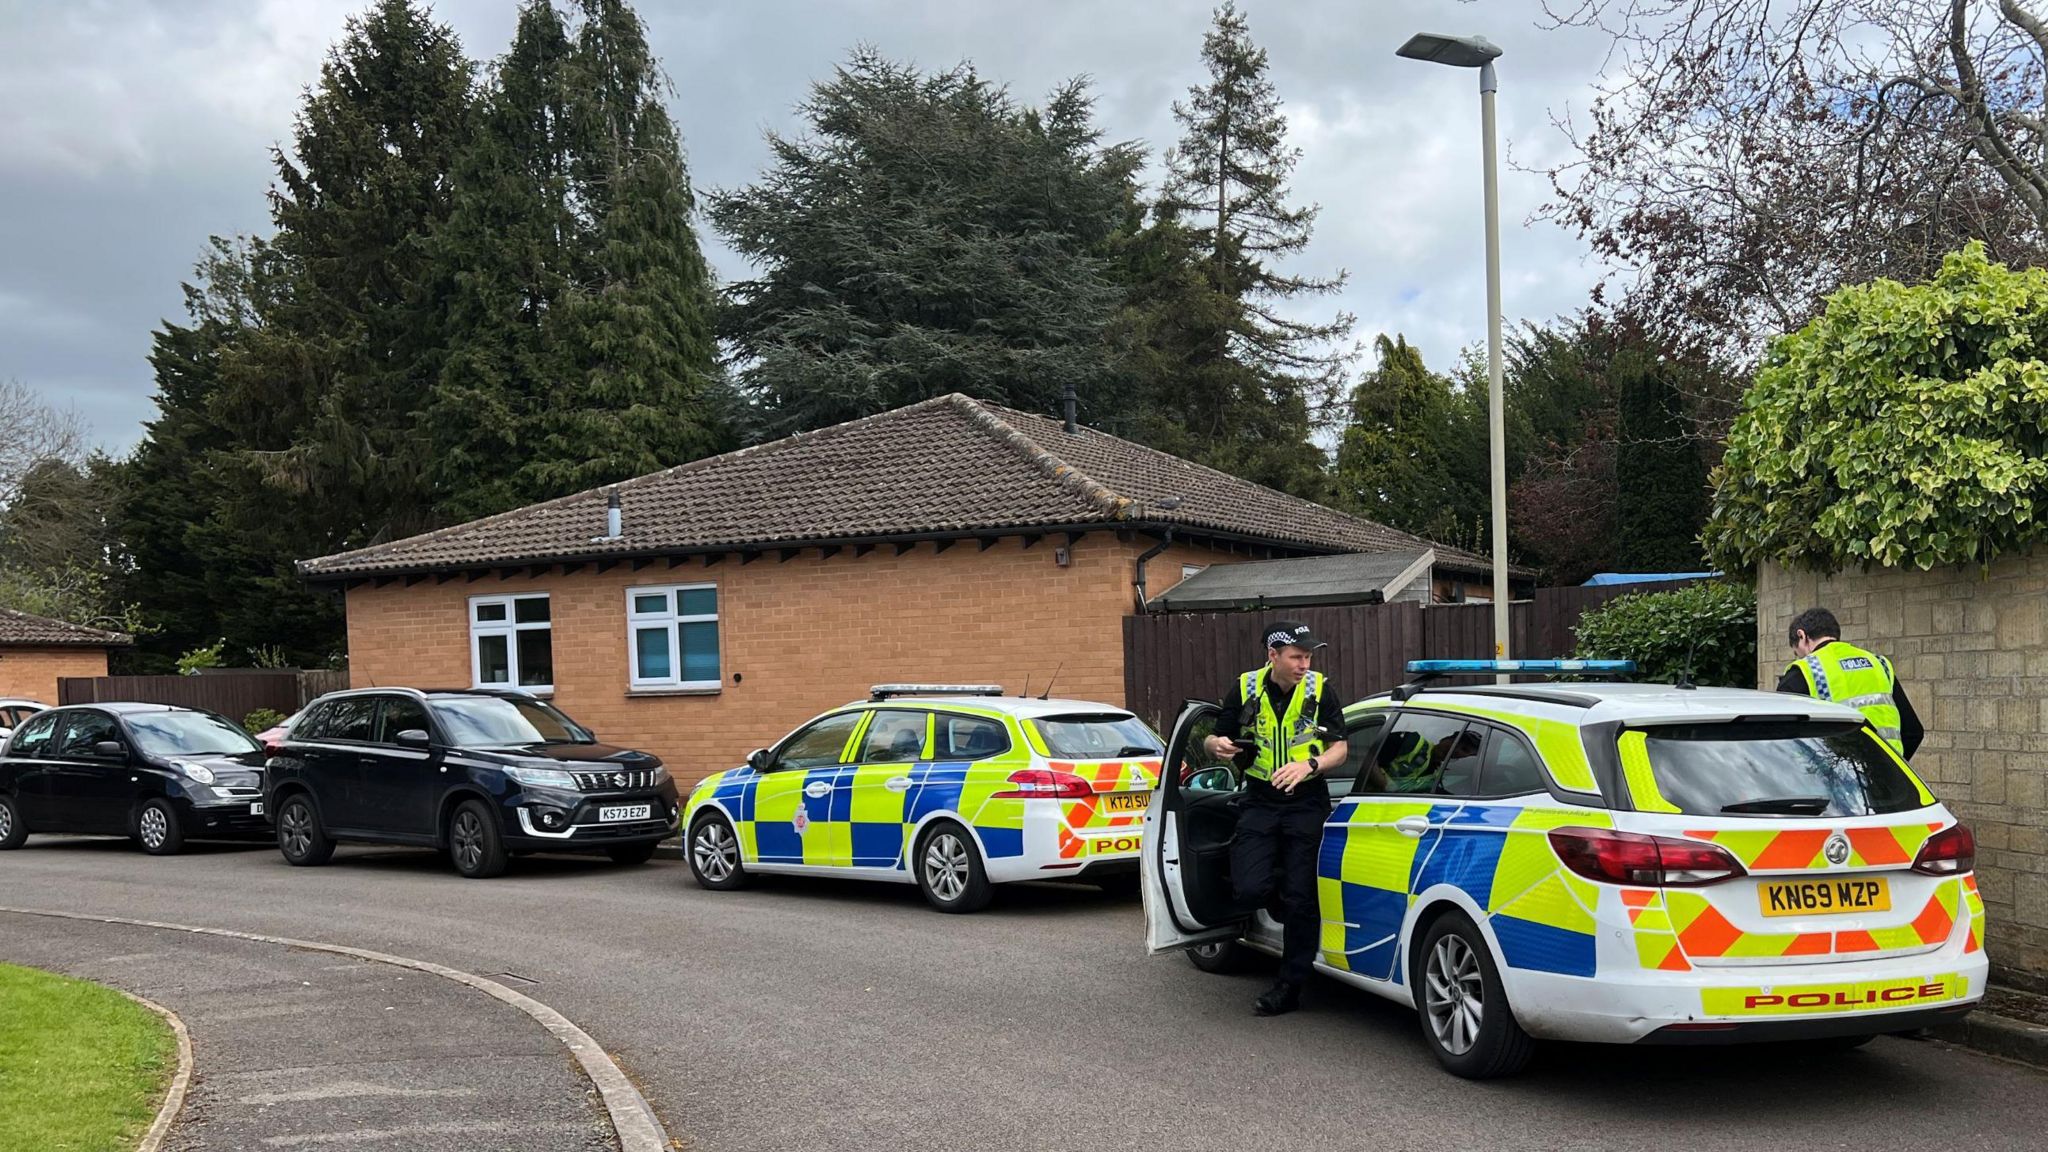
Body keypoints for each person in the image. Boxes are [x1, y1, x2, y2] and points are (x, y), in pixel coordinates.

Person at [1201, 620, 1349, 1017]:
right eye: (1297, 656)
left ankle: (1290, 985)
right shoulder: (1246, 687)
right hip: (1260, 800)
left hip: (1306, 801)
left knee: (1302, 900)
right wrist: (1219, 745)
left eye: (1308, 656)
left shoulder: (1320, 690)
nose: (1305, 664)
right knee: (1249, 888)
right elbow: (1212, 736)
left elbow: (1341, 748)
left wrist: (1310, 764)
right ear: (1273, 656)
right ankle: (1279, 893)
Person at [1778, 607, 1923, 759]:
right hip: (1887, 778)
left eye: (1797, 653)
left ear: (1802, 635)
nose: (1800, 658)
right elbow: (1914, 731)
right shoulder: (1879, 664)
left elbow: (1783, 743)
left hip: (1838, 779)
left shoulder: (1805, 671)